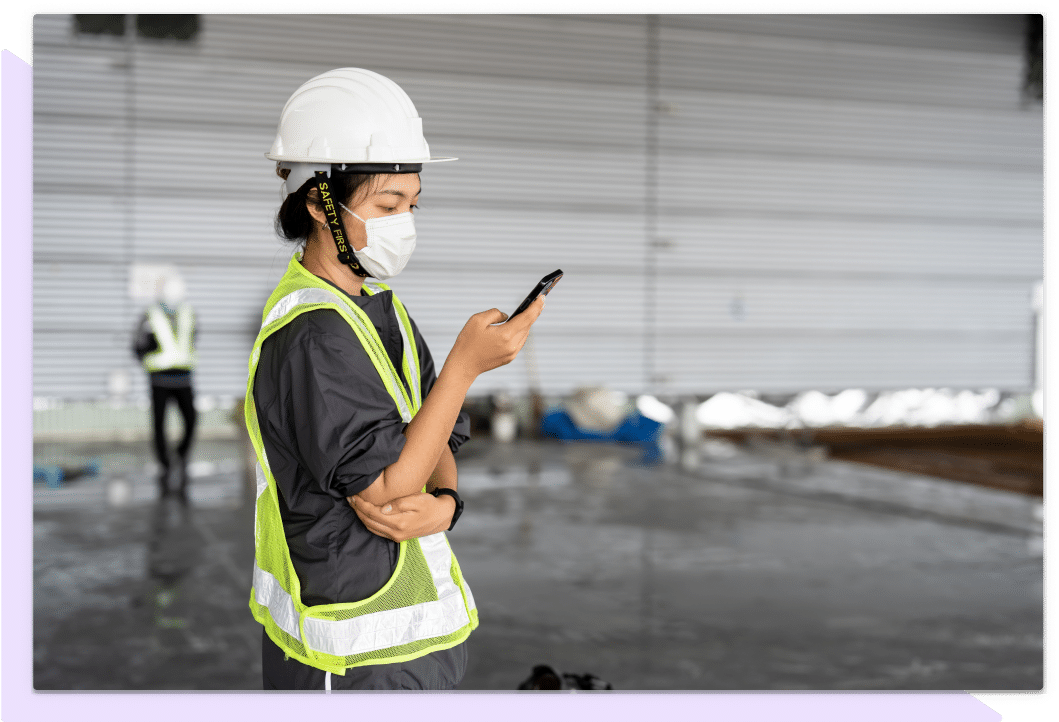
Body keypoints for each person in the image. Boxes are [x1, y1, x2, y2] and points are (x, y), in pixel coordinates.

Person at [247, 68, 545, 691]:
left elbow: (439, 443)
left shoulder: (383, 306)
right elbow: (385, 492)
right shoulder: (312, 336)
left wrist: (446, 505)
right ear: (318, 203)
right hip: (349, 653)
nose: (404, 222)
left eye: (412, 205)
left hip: (413, 638)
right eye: (387, 206)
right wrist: (466, 366)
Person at [133, 275, 198, 500]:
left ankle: (180, 454)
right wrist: (149, 364)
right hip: (159, 380)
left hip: (185, 379)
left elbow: (192, 339)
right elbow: (137, 345)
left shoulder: (188, 312)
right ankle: (164, 464)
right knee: (159, 424)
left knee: (191, 419)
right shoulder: (150, 315)